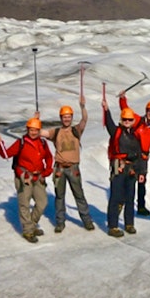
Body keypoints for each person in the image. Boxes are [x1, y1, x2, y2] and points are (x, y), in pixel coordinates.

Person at [40, 99, 95, 233]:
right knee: (60, 197)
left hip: (73, 168)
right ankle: (60, 222)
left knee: (79, 195)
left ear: (71, 117)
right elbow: (41, 133)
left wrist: (82, 107)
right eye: (64, 117)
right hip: (59, 168)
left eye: (69, 116)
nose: (66, 119)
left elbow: (84, 120)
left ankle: (87, 220)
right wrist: (36, 121)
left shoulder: (76, 130)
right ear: (61, 118)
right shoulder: (56, 132)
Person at [0, 117, 53, 243]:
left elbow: (49, 157)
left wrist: (47, 170)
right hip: (24, 178)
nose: (33, 132)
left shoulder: (43, 143)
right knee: (24, 205)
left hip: (38, 177)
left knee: (42, 203)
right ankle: (28, 231)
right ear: (27, 129)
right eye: (31, 130)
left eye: (36, 130)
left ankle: (31, 225)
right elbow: (6, 154)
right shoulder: (21, 143)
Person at [103, 99, 144, 237]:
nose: (127, 121)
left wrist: (140, 171)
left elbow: (139, 155)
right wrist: (106, 109)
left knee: (130, 197)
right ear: (121, 120)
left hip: (131, 169)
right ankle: (113, 226)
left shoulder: (135, 136)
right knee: (116, 197)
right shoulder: (116, 132)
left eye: (129, 119)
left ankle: (129, 223)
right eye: (125, 119)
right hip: (118, 167)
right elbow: (109, 124)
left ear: (133, 121)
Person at [117, 93, 150, 216]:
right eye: (149, 111)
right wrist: (122, 98)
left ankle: (141, 206)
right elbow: (126, 110)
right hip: (133, 155)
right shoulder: (138, 120)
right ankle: (121, 203)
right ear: (146, 110)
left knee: (142, 181)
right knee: (128, 178)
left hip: (144, 157)